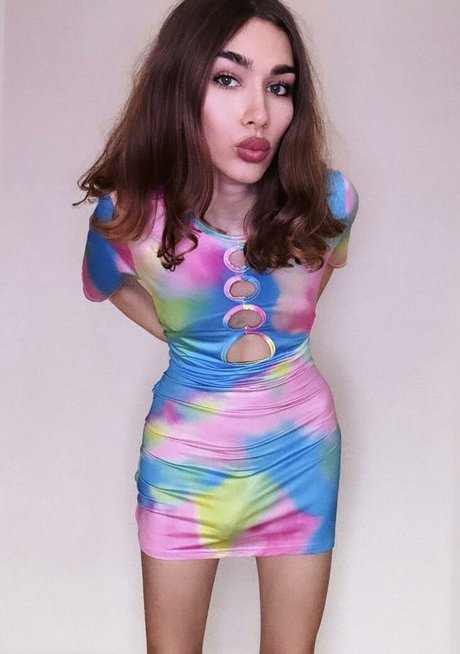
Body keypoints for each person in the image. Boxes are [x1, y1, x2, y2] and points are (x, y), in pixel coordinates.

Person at [77, 0, 359, 652]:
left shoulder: (331, 201)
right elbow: (107, 284)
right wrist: (185, 334)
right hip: (186, 460)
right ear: (181, 86)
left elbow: (315, 286)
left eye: (279, 87)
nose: (258, 112)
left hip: (300, 453)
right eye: (228, 79)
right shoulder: (128, 216)